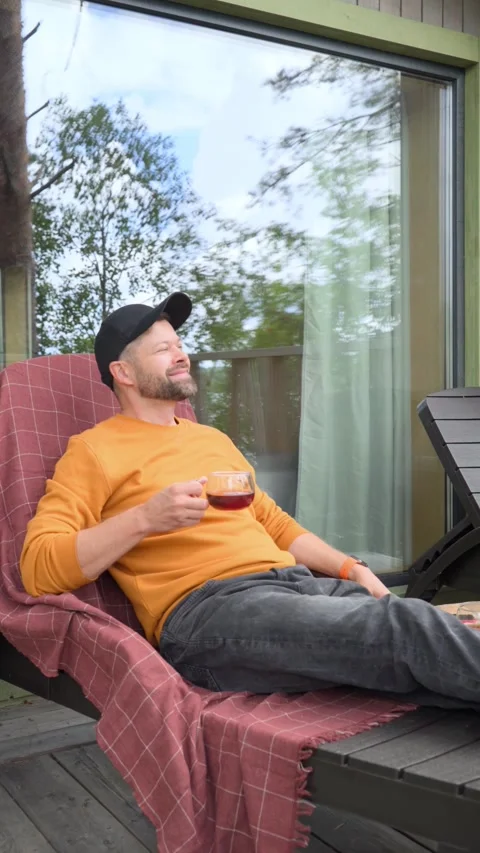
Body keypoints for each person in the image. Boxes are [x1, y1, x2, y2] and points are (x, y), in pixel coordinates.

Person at [20, 292, 480, 705]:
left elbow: (273, 522)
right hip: (210, 615)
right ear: (123, 373)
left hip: (296, 587)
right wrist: (144, 518)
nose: (181, 355)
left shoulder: (211, 439)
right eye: (163, 349)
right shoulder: (93, 450)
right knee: (404, 631)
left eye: (178, 344)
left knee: (423, 627)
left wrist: (351, 568)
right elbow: (40, 569)